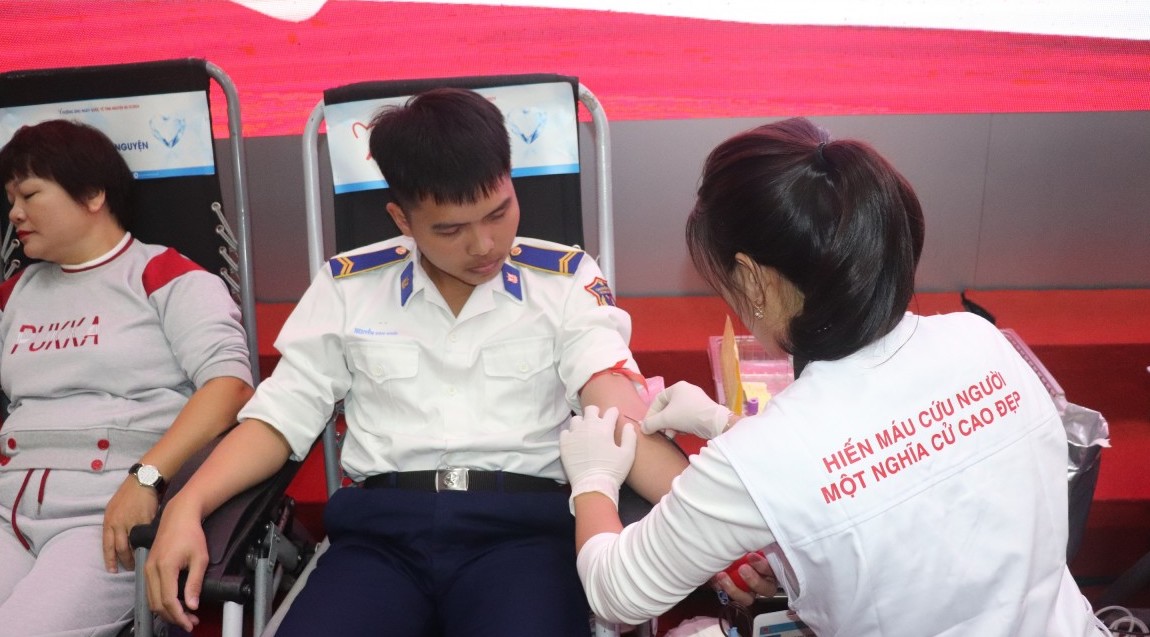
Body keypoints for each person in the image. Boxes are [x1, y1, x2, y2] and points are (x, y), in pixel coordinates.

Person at [145, 87, 687, 636]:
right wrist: (185, 506)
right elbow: (278, 420)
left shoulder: (565, 280)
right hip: (380, 542)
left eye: (499, 212)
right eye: (450, 230)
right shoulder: (348, 286)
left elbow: (619, 412)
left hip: (523, 538)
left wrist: (720, 521)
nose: (484, 244)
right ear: (401, 219)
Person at [559, 117, 1109, 636]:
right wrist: (728, 428)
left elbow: (617, 590)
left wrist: (593, 482)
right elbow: (905, 485)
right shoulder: (980, 340)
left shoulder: (762, 459)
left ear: (753, 279)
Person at [0, 119, 254, 636]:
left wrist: (147, 477)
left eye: (29, 194)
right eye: (10, 198)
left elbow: (230, 388)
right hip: (6, 512)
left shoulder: (165, 275)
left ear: (93, 194)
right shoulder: (15, 292)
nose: (14, 214)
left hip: (104, 517)